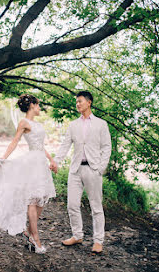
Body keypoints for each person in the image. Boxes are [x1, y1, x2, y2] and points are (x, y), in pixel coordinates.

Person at [0, 94, 57, 254]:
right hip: (31, 163)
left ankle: (30, 232)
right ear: (32, 105)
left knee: (41, 200)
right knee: (32, 200)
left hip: (41, 163)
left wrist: (51, 159)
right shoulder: (24, 122)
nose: (39, 108)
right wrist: (3, 158)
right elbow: (15, 141)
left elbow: (40, 145)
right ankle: (35, 238)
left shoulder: (37, 124)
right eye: (38, 105)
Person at [51, 91, 111, 254]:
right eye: (76, 102)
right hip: (75, 170)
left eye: (80, 101)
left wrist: (100, 168)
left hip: (93, 170)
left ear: (89, 102)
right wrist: (56, 160)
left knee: (96, 207)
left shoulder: (101, 124)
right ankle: (77, 235)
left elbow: (106, 147)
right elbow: (65, 145)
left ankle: (98, 241)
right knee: (72, 205)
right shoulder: (73, 125)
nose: (78, 104)